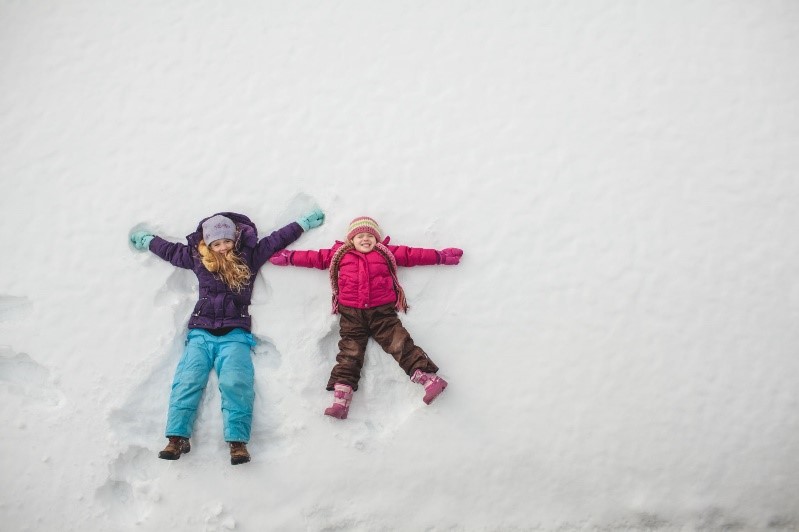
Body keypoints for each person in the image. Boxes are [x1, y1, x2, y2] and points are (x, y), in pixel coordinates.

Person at [129, 209, 324, 464]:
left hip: (235, 334)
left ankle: (237, 442)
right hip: (200, 332)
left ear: (235, 238)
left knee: (236, 382)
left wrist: (302, 223)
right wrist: (148, 241)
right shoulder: (197, 257)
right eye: (216, 243)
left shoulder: (249, 256)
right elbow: (170, 251)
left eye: (227, 241)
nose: (222, 247)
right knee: (187, 381)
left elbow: (277, 239)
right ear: (208, 243)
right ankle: (176, 438)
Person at [269, 216, 463, 419]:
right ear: (350, 240)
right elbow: (314, 258)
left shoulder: (386, 252)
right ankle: (341, 400)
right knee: (349, 354)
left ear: (377, 239)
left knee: (400, 344)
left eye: (370, 236)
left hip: (382, 314)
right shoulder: (338, 254)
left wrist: (440, 256)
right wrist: (289, 257)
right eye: (360, 235)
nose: (365, 239)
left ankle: (430, 380)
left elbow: (413, 255)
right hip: (351, 316)